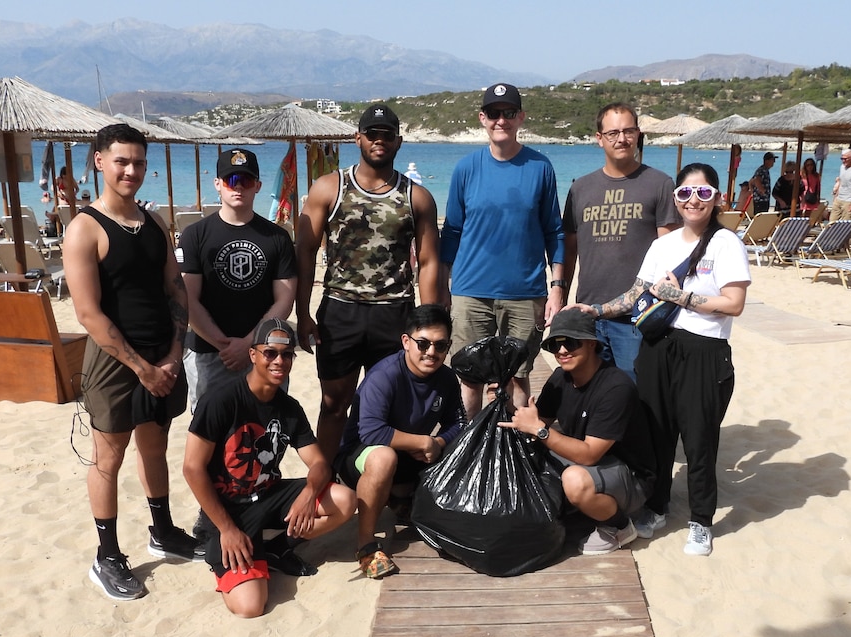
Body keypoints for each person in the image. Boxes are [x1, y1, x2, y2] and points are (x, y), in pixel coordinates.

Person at [573, 163, 751, 556]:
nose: (694, 201)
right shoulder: (662, 246)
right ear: (676, 199)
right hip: (657, 346)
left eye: (703, 193)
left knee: (699, 437)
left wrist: (682, 297)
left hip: (704, 351)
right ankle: (656, 505)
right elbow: (637, 294)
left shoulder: (726, 244)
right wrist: (597, 311)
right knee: (657, 432)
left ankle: (701, 521)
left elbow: (734, 304)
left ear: (717, 198)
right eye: (686, 193)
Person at [63, 123, 201, 601]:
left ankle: (162, 529)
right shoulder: (85, 229)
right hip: (114, 363)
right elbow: (88, 313)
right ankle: (106, 556)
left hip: (162, 355)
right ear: (99, 161)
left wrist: (172, 354)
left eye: (139, 162)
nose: (131, 170)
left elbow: (175, 288)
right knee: (109, 457)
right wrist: (143, 367)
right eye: (121, 161)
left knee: (154, 446)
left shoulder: (153, 223)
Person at [295, 103, 441, 463]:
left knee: (392, 406)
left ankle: (390, 485)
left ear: (398, 142)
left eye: (387, 135)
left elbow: (429, 262)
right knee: (333, 404)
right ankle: (325, 481)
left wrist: (431, 322)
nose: (379, 141)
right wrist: (302, 313)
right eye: (372, 134)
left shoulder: (416, 197)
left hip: (395, 315)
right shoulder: (329, 188)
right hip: (340, 312)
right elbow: (304, 253)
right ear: (357, 138)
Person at [182, 318, 356, 617]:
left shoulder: (289, 408)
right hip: (229, 511)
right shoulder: (221, 400)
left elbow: (318, 463)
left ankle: (276, 548)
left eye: (287, 354)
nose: (279, 361)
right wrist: (226, 529)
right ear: (253, 355)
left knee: (345, 500)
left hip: (267, 495)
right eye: (270, 353)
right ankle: (240, 553)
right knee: (250, 607)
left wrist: (307, 494)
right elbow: (192, 469)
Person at [441, 83, 566, 419]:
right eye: (494, 113)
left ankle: (517, 448)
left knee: (519, 377)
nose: (501, 120)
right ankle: (468, 446)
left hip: (525, 293)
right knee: (468, 377)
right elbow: (451, 231)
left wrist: (557, 288)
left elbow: (554, 231)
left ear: (520, 117)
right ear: (483, 118)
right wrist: (442, 285)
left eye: (508, 113)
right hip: (470, 292)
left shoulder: (540, 168)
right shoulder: (466, 169)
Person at [497, 308, 656, 555]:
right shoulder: (561, 377)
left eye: (571, 342)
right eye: (554, 345)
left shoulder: (616, 387)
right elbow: (534, 423)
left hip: (630, 476)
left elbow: (588, 454)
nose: (562, 351)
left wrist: (539, 430)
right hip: (587, 460)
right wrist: (504, 401)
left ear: (592, 343)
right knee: (522, 452)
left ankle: (620, 527)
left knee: (575, 481)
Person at [334, 304, 465, 578]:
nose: (431, 352)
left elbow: (459, 424)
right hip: (361, 458)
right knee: (384, 457)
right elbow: (370, 432)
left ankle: (403, 499)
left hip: (412, 454)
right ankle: (367, 545)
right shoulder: (384, 375)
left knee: (465, 448)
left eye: (440, 345)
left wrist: (438, 443)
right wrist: (421, 442)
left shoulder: (447, 378)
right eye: (423, 343)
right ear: (406, 341)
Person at [561, 102, 681, 381]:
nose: (621, 138)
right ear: (599, 138)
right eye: (613, 132)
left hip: (637, 318)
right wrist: (562, 296)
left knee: (637, 393)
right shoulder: (580, 188)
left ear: (638, 134)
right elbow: (569, 249)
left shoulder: (659, 184)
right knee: (593, 395)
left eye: (628, 131)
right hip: (588, 314)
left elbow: (669, 255)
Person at [177, 147, 296, 409]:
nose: (238, 187)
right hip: (210, 352)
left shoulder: (278, 238)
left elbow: (285, 299)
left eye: (246, 180)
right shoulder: (194, 236)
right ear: (217, 184)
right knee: (210, 435)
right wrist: (226, 346)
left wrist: (250, 344)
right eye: (231, 180)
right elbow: (189, 299)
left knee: (265, 431)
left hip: (265, 353)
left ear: (258, 186)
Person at [830, 148, 851, 222]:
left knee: (845, 223)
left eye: (845, 159)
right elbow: (841, 182)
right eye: (842, 158)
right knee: (832, 221)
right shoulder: (842, 167)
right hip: (839, 199)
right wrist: (835, 196)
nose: (843, 161)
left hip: (849, 200)